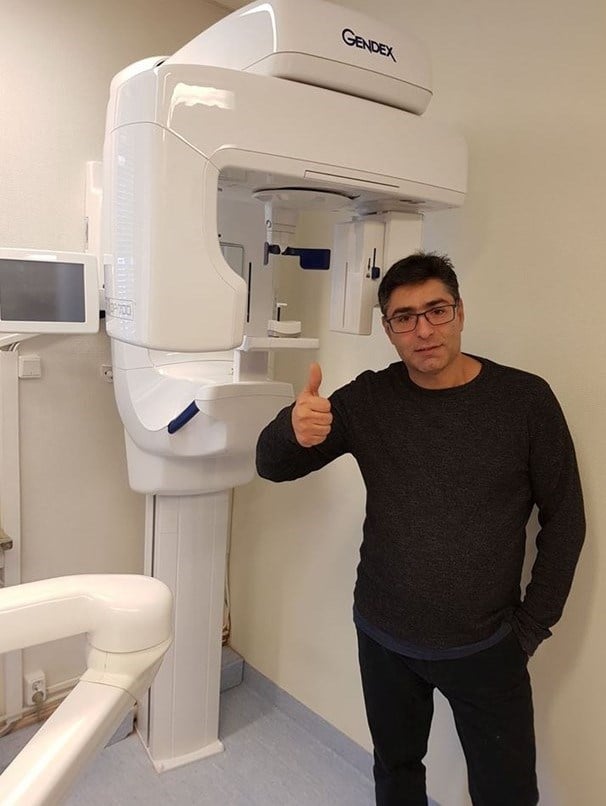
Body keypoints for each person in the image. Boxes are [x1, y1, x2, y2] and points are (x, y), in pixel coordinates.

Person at [255, 252, 585, 806]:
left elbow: (566, 520)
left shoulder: (525, 401)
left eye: (437, 310)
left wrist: (530, 629)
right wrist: (291, 427)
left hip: (486, 646)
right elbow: (272, 465)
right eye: (404, 318)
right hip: (383, 635)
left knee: (507, 794)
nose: (424, 330)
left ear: (460, 312)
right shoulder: (369, 399)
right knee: (397, 771)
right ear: (389, 330)